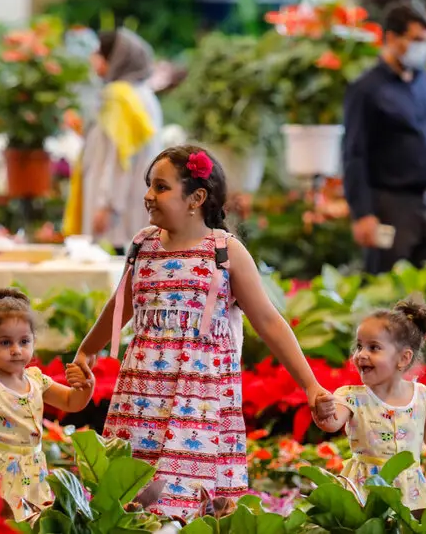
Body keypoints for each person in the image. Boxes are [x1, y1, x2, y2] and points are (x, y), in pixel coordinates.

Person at [65, 145, 335, 522]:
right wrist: (86, 350)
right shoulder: (143, 246)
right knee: (133, 493)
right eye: (149, 186)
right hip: (141, 395)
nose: (148, 196)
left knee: (188, 497)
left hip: (199, 400)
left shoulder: (224, 252)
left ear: (197, 197)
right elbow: (121, 304)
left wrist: (311, 386)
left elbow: (269, 322)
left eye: (160, 187)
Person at [313, 298, 426, 512]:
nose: (361, 354)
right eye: (359, 346)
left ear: (403, 358)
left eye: (374, 347)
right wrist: (324, 413)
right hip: (365, 490)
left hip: (409, 491)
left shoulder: (422, 397)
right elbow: (333, 423)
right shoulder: (352, 397)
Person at [0, 289, 94, 522]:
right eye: (5, 342)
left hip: (33, 468)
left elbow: (71, 402)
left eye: (24, 341)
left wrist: (86, 385)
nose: (16, 350)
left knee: (35, 521)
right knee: (3, 521)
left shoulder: (36, 379)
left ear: (33, 342)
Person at [342, 0, 426, 275]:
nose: (421, 47)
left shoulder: (424, 82)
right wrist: (362, 213)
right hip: (391, 205)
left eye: (425, 40)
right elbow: (354, 154)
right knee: (389, 293)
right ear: (390, 38)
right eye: (415, 40)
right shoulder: (366, 89)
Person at [63, 28, 165, 253]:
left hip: (116, 213)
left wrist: (107, 205)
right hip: (133, 203)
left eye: (99, 53)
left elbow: (119, 157)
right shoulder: (143, 94)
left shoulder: (119, 97)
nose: (93, 59)